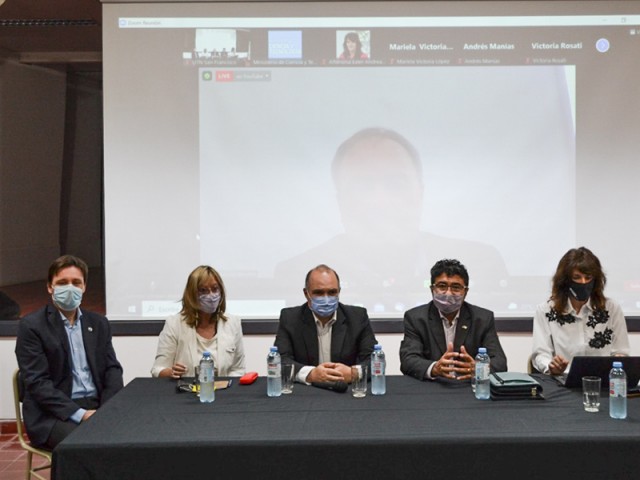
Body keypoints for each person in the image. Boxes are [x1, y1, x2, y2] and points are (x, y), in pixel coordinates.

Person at [274, 128, 509, 312]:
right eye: (363, 185)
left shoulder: (484, 262)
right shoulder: (292, 271)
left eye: (395, 183)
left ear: (420, 194)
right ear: (341, 201)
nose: (380, 201)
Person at [14, 255, 123, 450]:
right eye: (62, 282)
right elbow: (37, 383)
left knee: (135, 438)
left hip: (97, 405)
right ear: (50, 287)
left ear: (84, 287)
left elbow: (112, 370)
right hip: (53, 414)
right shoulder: (32, 326)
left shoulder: (98, 323)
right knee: (90, 445)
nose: (70, 288)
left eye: (76, 282)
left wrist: (106, 410)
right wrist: (81, 414)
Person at [400, 259, 507, 381]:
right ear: (432, 289)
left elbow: (500, 363)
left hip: (467, 387)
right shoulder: (416, 318)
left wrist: (479, 368)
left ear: (465, 292)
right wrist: (434, 368)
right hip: (432, 388)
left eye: (456, 287)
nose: (448, 293)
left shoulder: (482, 318)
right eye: (442, 286)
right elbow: (408, 360)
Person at [531, 247, 630, 375]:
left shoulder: (611, 309)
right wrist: (551, 366)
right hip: (562, 381)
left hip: (602, 382)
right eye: (577, 277)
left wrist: (619, 358)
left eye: (588, 277)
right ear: (565, 280)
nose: (583, 283)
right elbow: (540, 354)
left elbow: (621, 351)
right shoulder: (545, 310)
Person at [274, 264, 376, 384]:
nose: (326, 299)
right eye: (319, 293)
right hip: (306, 393)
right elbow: (280, 361)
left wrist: (353, 373)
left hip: (345, 392)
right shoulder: (290, 318)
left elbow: (374, 360)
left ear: (339, 292)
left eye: (332, 292)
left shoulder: (357, 317)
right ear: (306, 294)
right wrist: (310, 374)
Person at [151, 265, 245, 378]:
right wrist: (170, 373)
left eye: (215, 289)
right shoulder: (174, 324)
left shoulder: (233, 323)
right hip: (185, 392)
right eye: (203, 290)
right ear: (192, 294)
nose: (211, 296)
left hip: (223, 392)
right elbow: (157, 369)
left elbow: (238, 369)